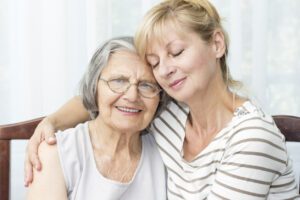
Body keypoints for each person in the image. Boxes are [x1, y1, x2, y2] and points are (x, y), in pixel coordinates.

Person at [25, 0, 299, 199]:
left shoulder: (252, 137)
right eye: (155, 63)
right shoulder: (170, 116)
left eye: (177, 52)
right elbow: (102, 96)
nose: (165, 70)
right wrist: (51, 122)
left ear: (217, 44)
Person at [26, 36, 167, 200]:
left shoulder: (167, 149)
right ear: (94, 88)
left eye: (146, 85)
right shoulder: (57, 153)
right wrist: (50, 121)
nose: (132, 96)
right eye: (119, 81)